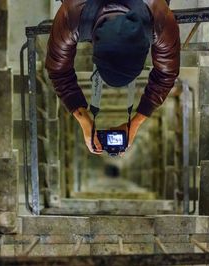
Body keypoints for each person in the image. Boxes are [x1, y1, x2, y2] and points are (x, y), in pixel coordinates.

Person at [46, 0, 180, 155]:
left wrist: (136, 122)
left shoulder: (159, 18)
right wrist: (82, 118)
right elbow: (166, 74)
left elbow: (58, 70)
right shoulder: (73, 15)